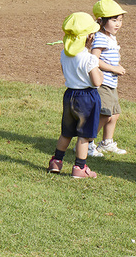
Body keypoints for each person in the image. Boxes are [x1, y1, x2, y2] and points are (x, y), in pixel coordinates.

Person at [47, 12, 103, 179]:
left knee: (66, 132)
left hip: (70, 94)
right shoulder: (89, 58)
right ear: (89, 37)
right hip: (87, 97)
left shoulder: (64, 54)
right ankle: (79, 168)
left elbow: (65, 72)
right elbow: (96, 82)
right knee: (84, 135)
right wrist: (99, 72)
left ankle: (56, 161)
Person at [90, 0, 128, 156]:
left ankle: (107, 142)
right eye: (114, 20)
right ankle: (87, 143)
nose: (118, 24)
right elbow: (93, 59)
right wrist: (113, 68)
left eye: (120, 20)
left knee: (114, 114)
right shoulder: (100, 37)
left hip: (112, 82)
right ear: (101, 21)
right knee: (105, 114)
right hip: (102, 82)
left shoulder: (111, 37)